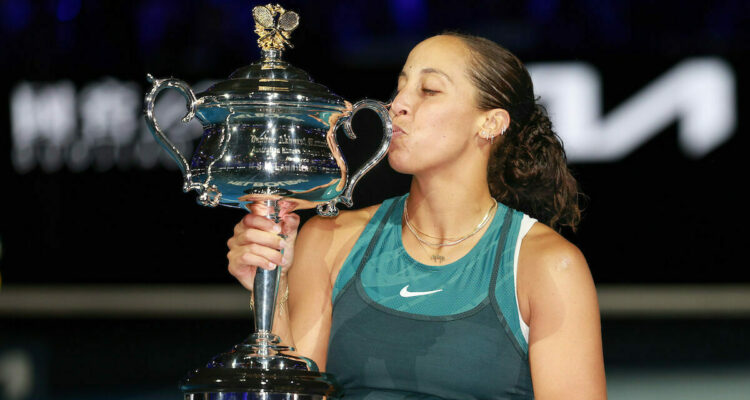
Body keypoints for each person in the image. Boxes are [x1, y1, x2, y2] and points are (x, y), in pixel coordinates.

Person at [227, 33, 607, 399]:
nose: (397, 106)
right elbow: (295, 392)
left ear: (490, 123)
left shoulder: (548, 266)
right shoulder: (328, 238)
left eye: (429, 91)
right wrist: (271, 290)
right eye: (401, 87)